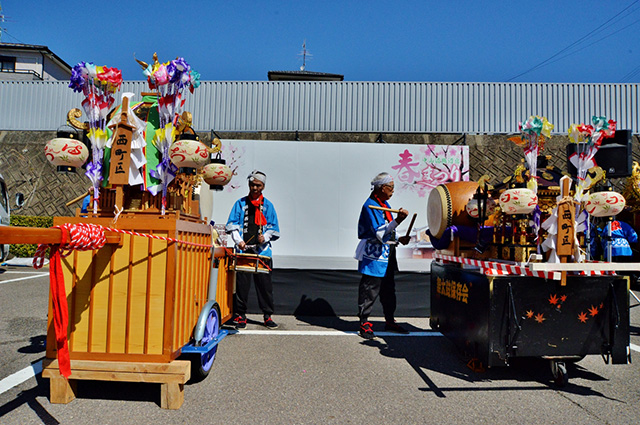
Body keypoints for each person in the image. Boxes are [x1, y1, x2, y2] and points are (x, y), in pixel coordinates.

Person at [355, 172, 410, 339]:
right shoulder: (370, 206)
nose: (393, 191)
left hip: (387, 252)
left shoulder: (384, 204)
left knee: (388, 289)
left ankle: (390, 320)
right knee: (370, 288)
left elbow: (389, 231)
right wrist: (398, 221)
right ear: (381, 188)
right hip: (374, 253)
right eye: (391, 188)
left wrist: (400, 238)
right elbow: (380, 232)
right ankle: (364, 322)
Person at [226, 170, 280, 329]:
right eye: (252, 184)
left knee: (265, 286)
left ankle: (267, 315)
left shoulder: (268, 205)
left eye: (258, 185)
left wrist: (266, 237)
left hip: (262, 251)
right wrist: (239, 241)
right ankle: (241, 315)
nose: (255, 188)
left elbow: (273, 226)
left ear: (263, 186)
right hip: (244, 250)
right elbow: (232, 224)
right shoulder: (240, 204)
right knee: (242, 285)